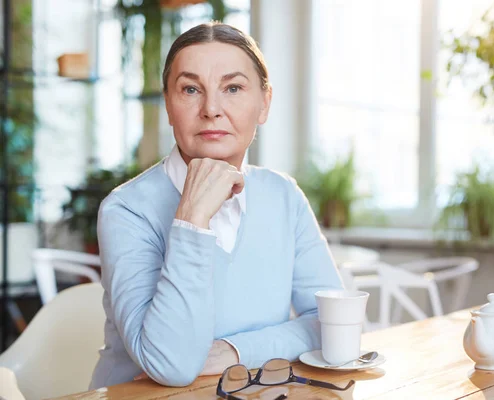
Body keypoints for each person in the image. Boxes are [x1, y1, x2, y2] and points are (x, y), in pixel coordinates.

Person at [89, 22, 343, 389]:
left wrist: (234, 351)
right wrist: (192, 218)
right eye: (190, 89)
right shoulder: (126, 210)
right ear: (168, 104)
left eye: (233, 88)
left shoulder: (284, 195)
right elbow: (171, 365)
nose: (211, 109)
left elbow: (331, 322)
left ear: (264, 103)